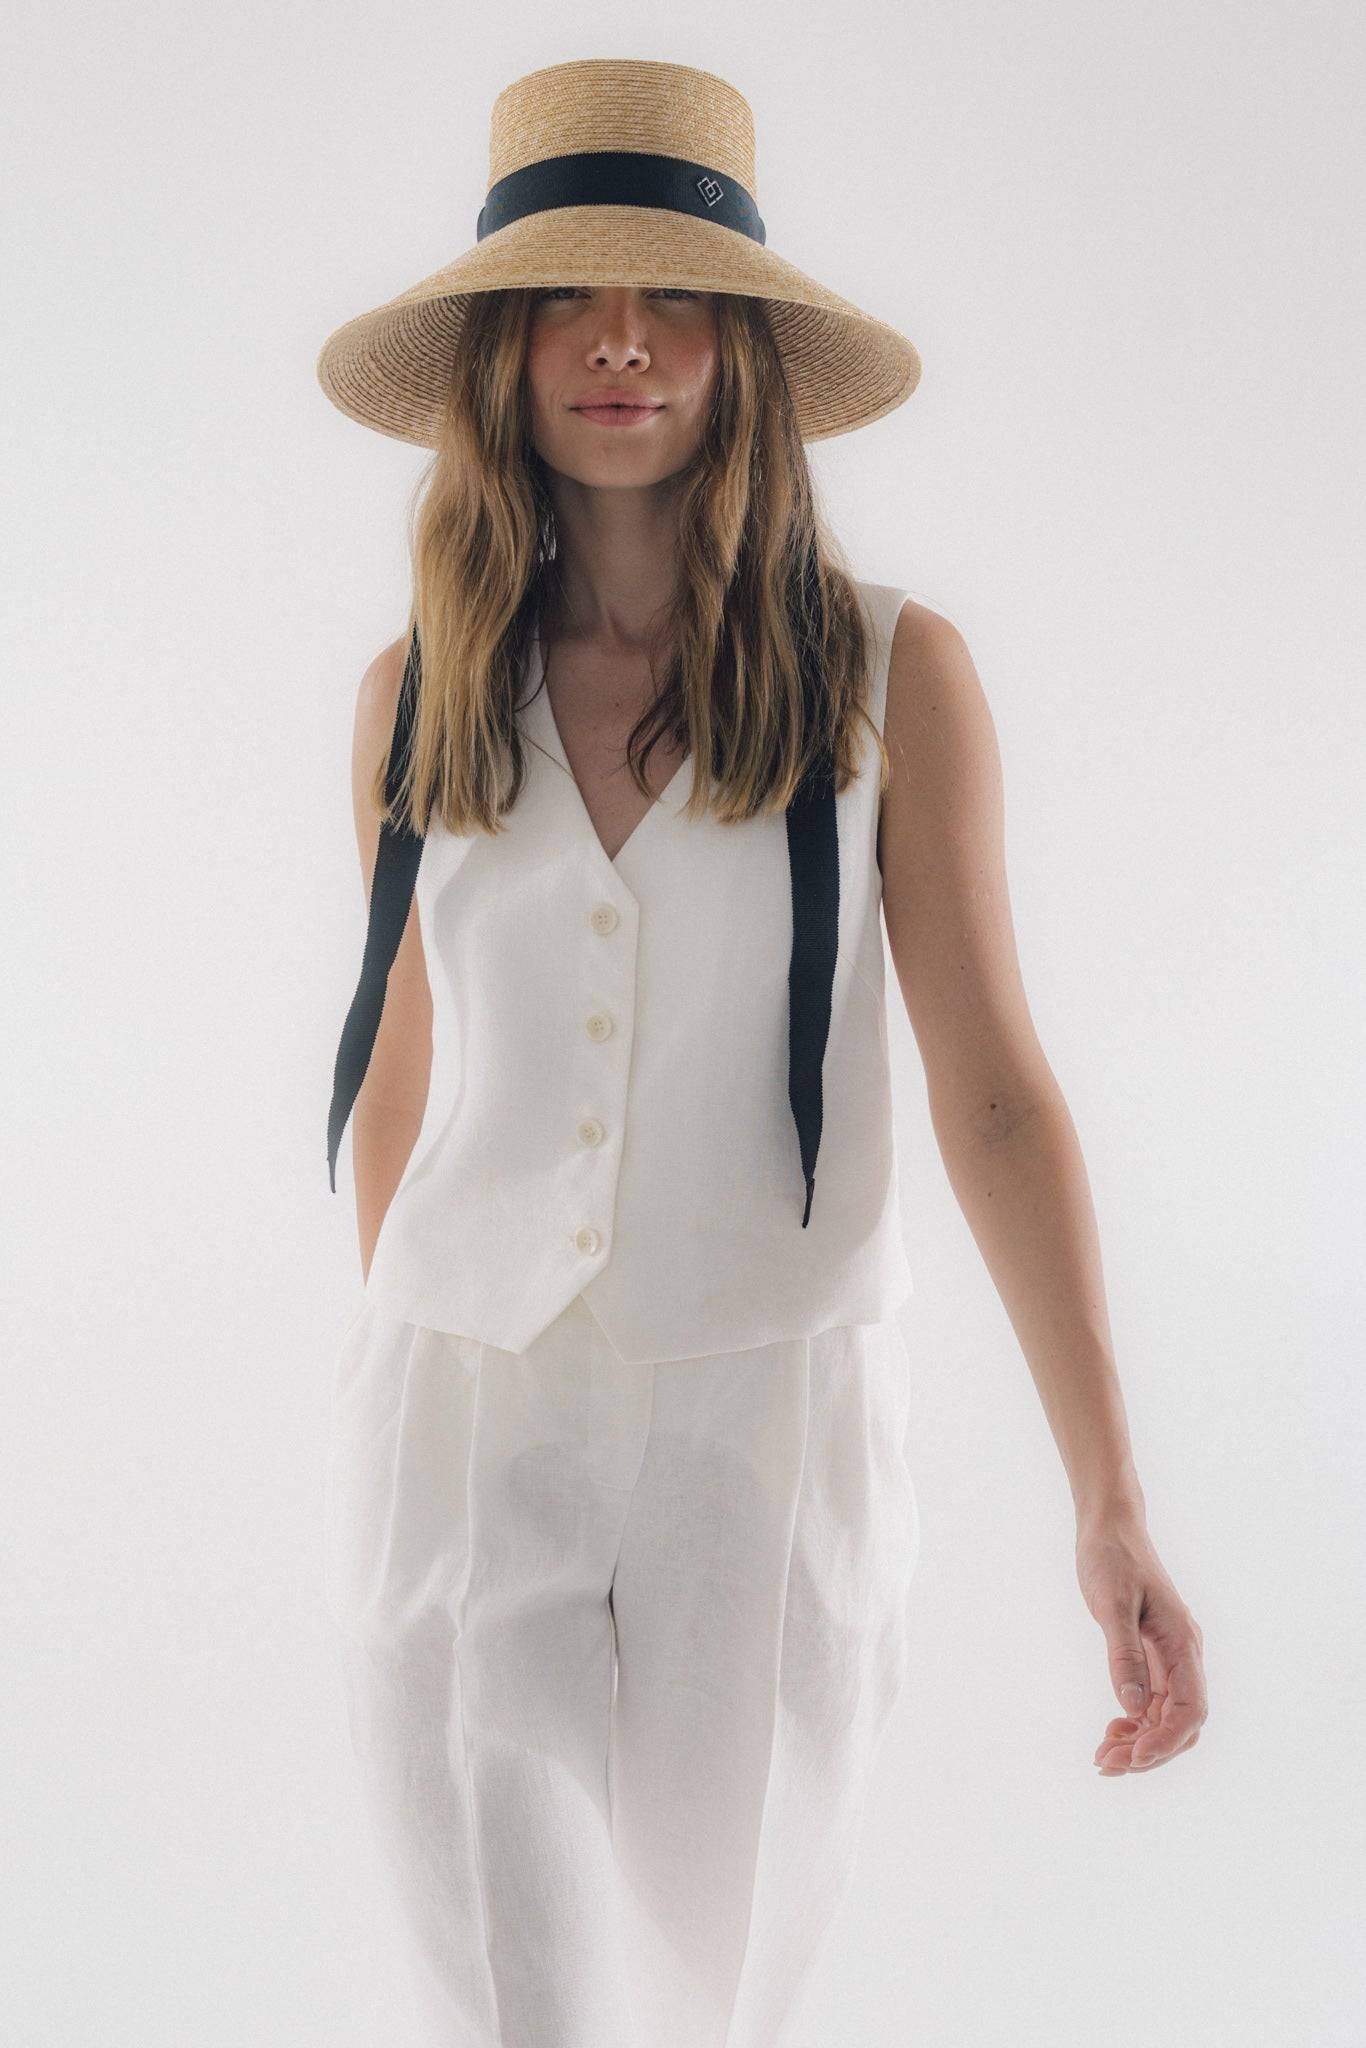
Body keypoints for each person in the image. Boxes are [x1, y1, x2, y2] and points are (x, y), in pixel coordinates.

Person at [315, 56, 1209, 2048]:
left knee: (710, 2001)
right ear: (499, 350)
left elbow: (993, 1092)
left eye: (672, 295)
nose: (620, 339)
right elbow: (399, 1066)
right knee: (518, 2008)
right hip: (464, 1428)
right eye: (568, 293)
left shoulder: (891, 672)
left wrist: (1105, 1494)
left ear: (744, 346)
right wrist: (396, 1347)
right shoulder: (413, 693)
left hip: (766, 1433)